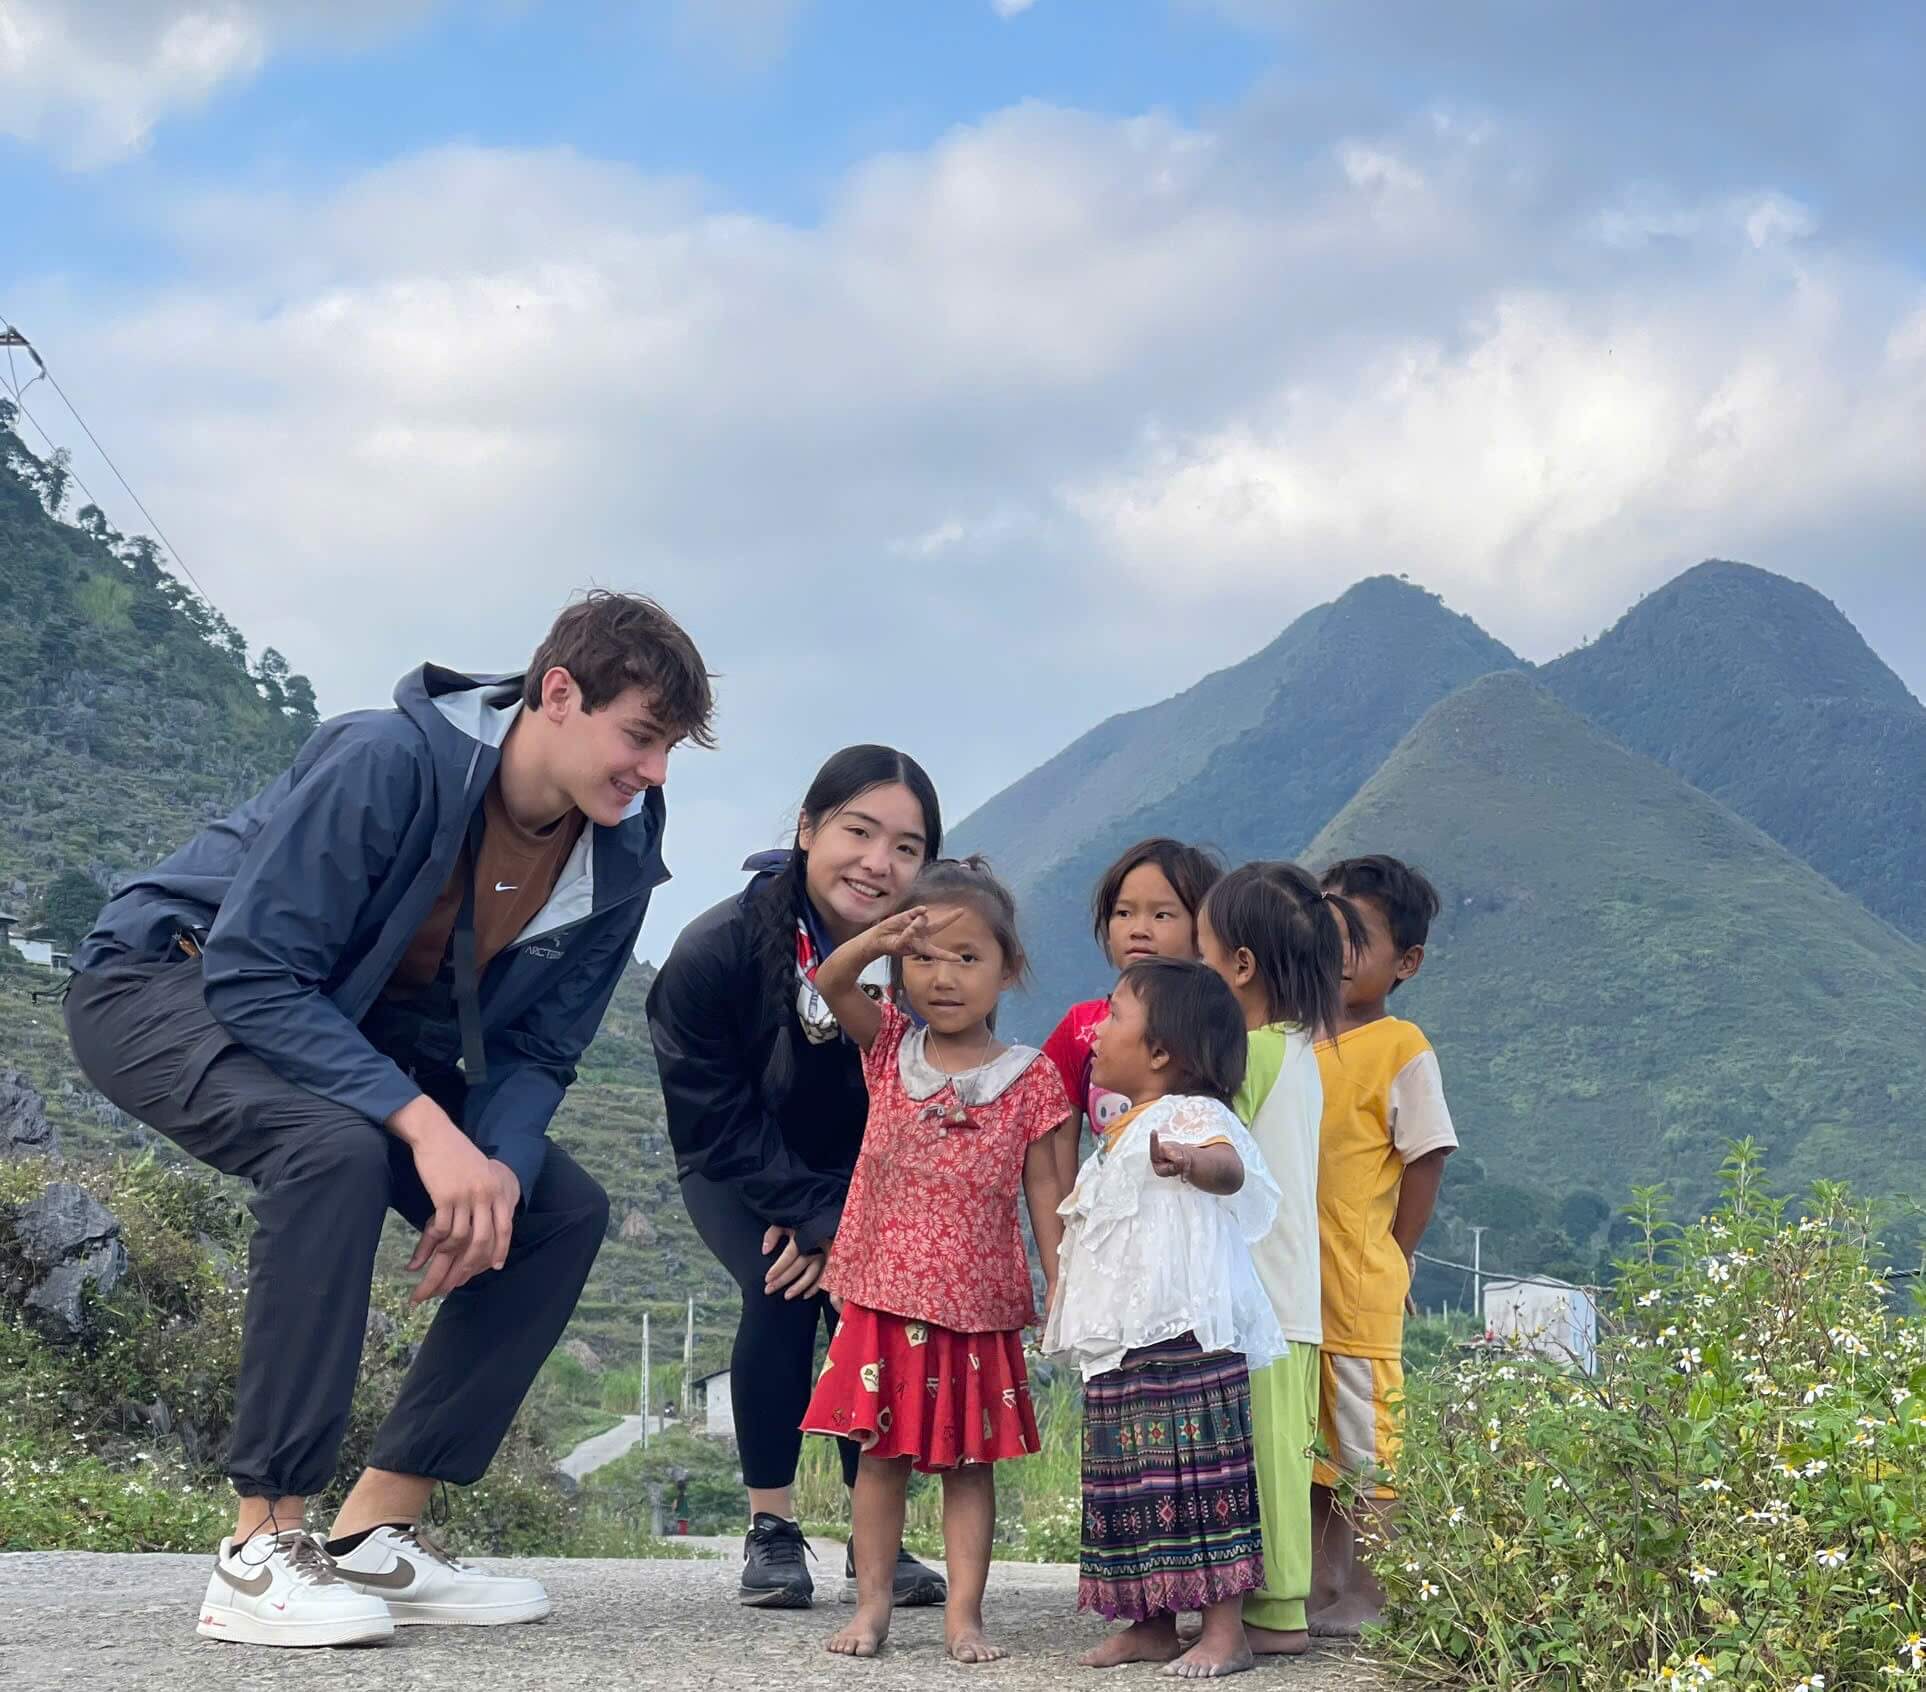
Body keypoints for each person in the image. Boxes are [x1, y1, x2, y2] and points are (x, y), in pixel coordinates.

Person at [62, 592, 713, 1648]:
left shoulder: (620, 844)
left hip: (347, 1029)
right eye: (640, 737)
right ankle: (261, 1545)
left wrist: (495, 1161)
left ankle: (376, 1530)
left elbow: (542, 1049)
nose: (654, 773)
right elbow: (258, 970)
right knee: (334, 1148)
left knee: (553, 1209)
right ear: (557, 693)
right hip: (169, 982)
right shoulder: (386, 761)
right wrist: (426, 1128)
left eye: (671, 749)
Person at [646, 746, 950, 1612]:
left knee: (871, 1301)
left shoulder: (929, 957)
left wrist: (845, 1224)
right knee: (777, 1290)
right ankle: (772, 1528)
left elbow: (929, 1097)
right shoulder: (717, 950)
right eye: (859, 831)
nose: (878, 862)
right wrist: (807, 1216)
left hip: (867, 1172)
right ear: (809, 830)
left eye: (906, 846)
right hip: (734, 1161)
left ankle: (873, 1537)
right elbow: (711, 1114)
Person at [800, 857, 1069, 1663]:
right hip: (882, 1300)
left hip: (978, 1312)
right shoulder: (888, 1049)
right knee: (880, 1461)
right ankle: (872, 1609)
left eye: (967, 957)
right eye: (921, 957)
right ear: (897, 967)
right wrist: (877, 937)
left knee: (968, 1468)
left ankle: (964, 1619)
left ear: (1006, 968)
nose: (943, 977)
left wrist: (1064, 1289)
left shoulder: (1033, 1080)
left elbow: (1050, 1198)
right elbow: (828, 981)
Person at [1048, 958, 1285, 1679]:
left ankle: (1225, 1631)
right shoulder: (1120, 1131)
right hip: (1125, 1341)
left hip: (1185, 1334)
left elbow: (1229, 1169)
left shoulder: (1194, 1115)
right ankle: (1148, 1620)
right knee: (1131, 1476)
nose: (1095, 1029)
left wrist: (1187, 1160)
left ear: (1159, 1052)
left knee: (1200, 1474)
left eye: (1114, 1015)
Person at [1194, 863, 1360, 1660]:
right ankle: (1282, 1601)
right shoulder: (1304, 1052)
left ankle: (1275, 1614)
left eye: (1202, 955)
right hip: (1298, 1298)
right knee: (1281, 1459)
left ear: (1240, 967)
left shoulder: (1251, 1056)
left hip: (1255, 1300)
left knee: (1252, 1461)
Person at [1309, 855, 1457, 1636]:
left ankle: (1369, 1594)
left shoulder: (1401, 1046)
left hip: (1359, 1281)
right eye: (1322, 928)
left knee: (1368, 1453)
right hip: (1296, 1289)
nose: (1332, 951)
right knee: (1313, 1451)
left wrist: (1397, 1253)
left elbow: (1426, 1155)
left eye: (1354, 937)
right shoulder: (1288, 1037)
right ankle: (1319, 1587)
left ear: (1406, 963)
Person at [1041, 839, 1224, 1195]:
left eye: (1161, 915)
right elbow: (1058, 1148)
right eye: (1124, 913)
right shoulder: (1082, 1028)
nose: (1138, 929)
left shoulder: (1219, 1025)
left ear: (1201, 930)